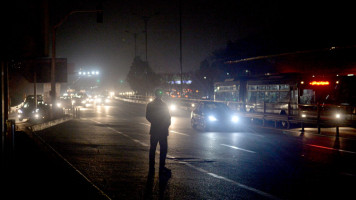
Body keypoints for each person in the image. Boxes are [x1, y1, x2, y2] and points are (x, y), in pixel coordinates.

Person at [146, 89, 171, 177]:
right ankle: (162, 166)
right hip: (163, 130)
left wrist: (155, 122)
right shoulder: (164, 105)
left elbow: (148, 116)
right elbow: (168, 117)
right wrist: (166, 125)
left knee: (153, 148)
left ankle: (151, 166)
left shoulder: (150, 105)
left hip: (154, 129)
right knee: (163, 149)